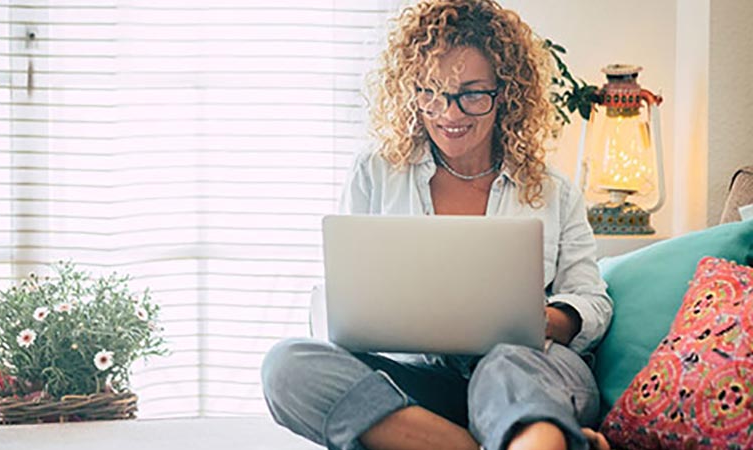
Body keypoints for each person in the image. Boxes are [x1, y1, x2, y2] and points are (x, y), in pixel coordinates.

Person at [261, 1, 613, 449]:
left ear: (505, 92)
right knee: (286, 365)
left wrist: (539, 321)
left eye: (471, 93)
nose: (449, 113)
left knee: (505, 365)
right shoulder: (376, 172)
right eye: (431, 91)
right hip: (414, 387)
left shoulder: (552, 190)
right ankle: (499, 442)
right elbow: (347, 295)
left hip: (525, 374)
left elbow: (591, 302)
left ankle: (514, 432)